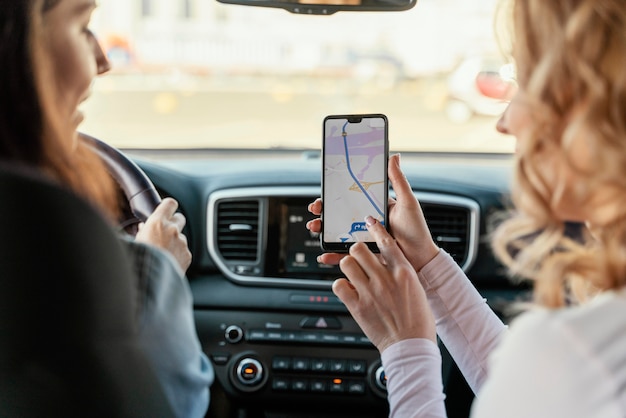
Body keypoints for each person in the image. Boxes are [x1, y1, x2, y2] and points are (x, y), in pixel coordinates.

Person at [307, 0, 626, 416]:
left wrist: (405, 350)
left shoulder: (574, 353)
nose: (504, 121)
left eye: (526, 82)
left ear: (598, 109)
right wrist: (425, 264)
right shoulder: (583, 355)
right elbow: (529, 395)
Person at [0, 1, 213, 417]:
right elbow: (179, 404)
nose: (102, 60)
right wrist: (155, 271)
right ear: (13, 49)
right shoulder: (114, 268)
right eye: (82, 26)